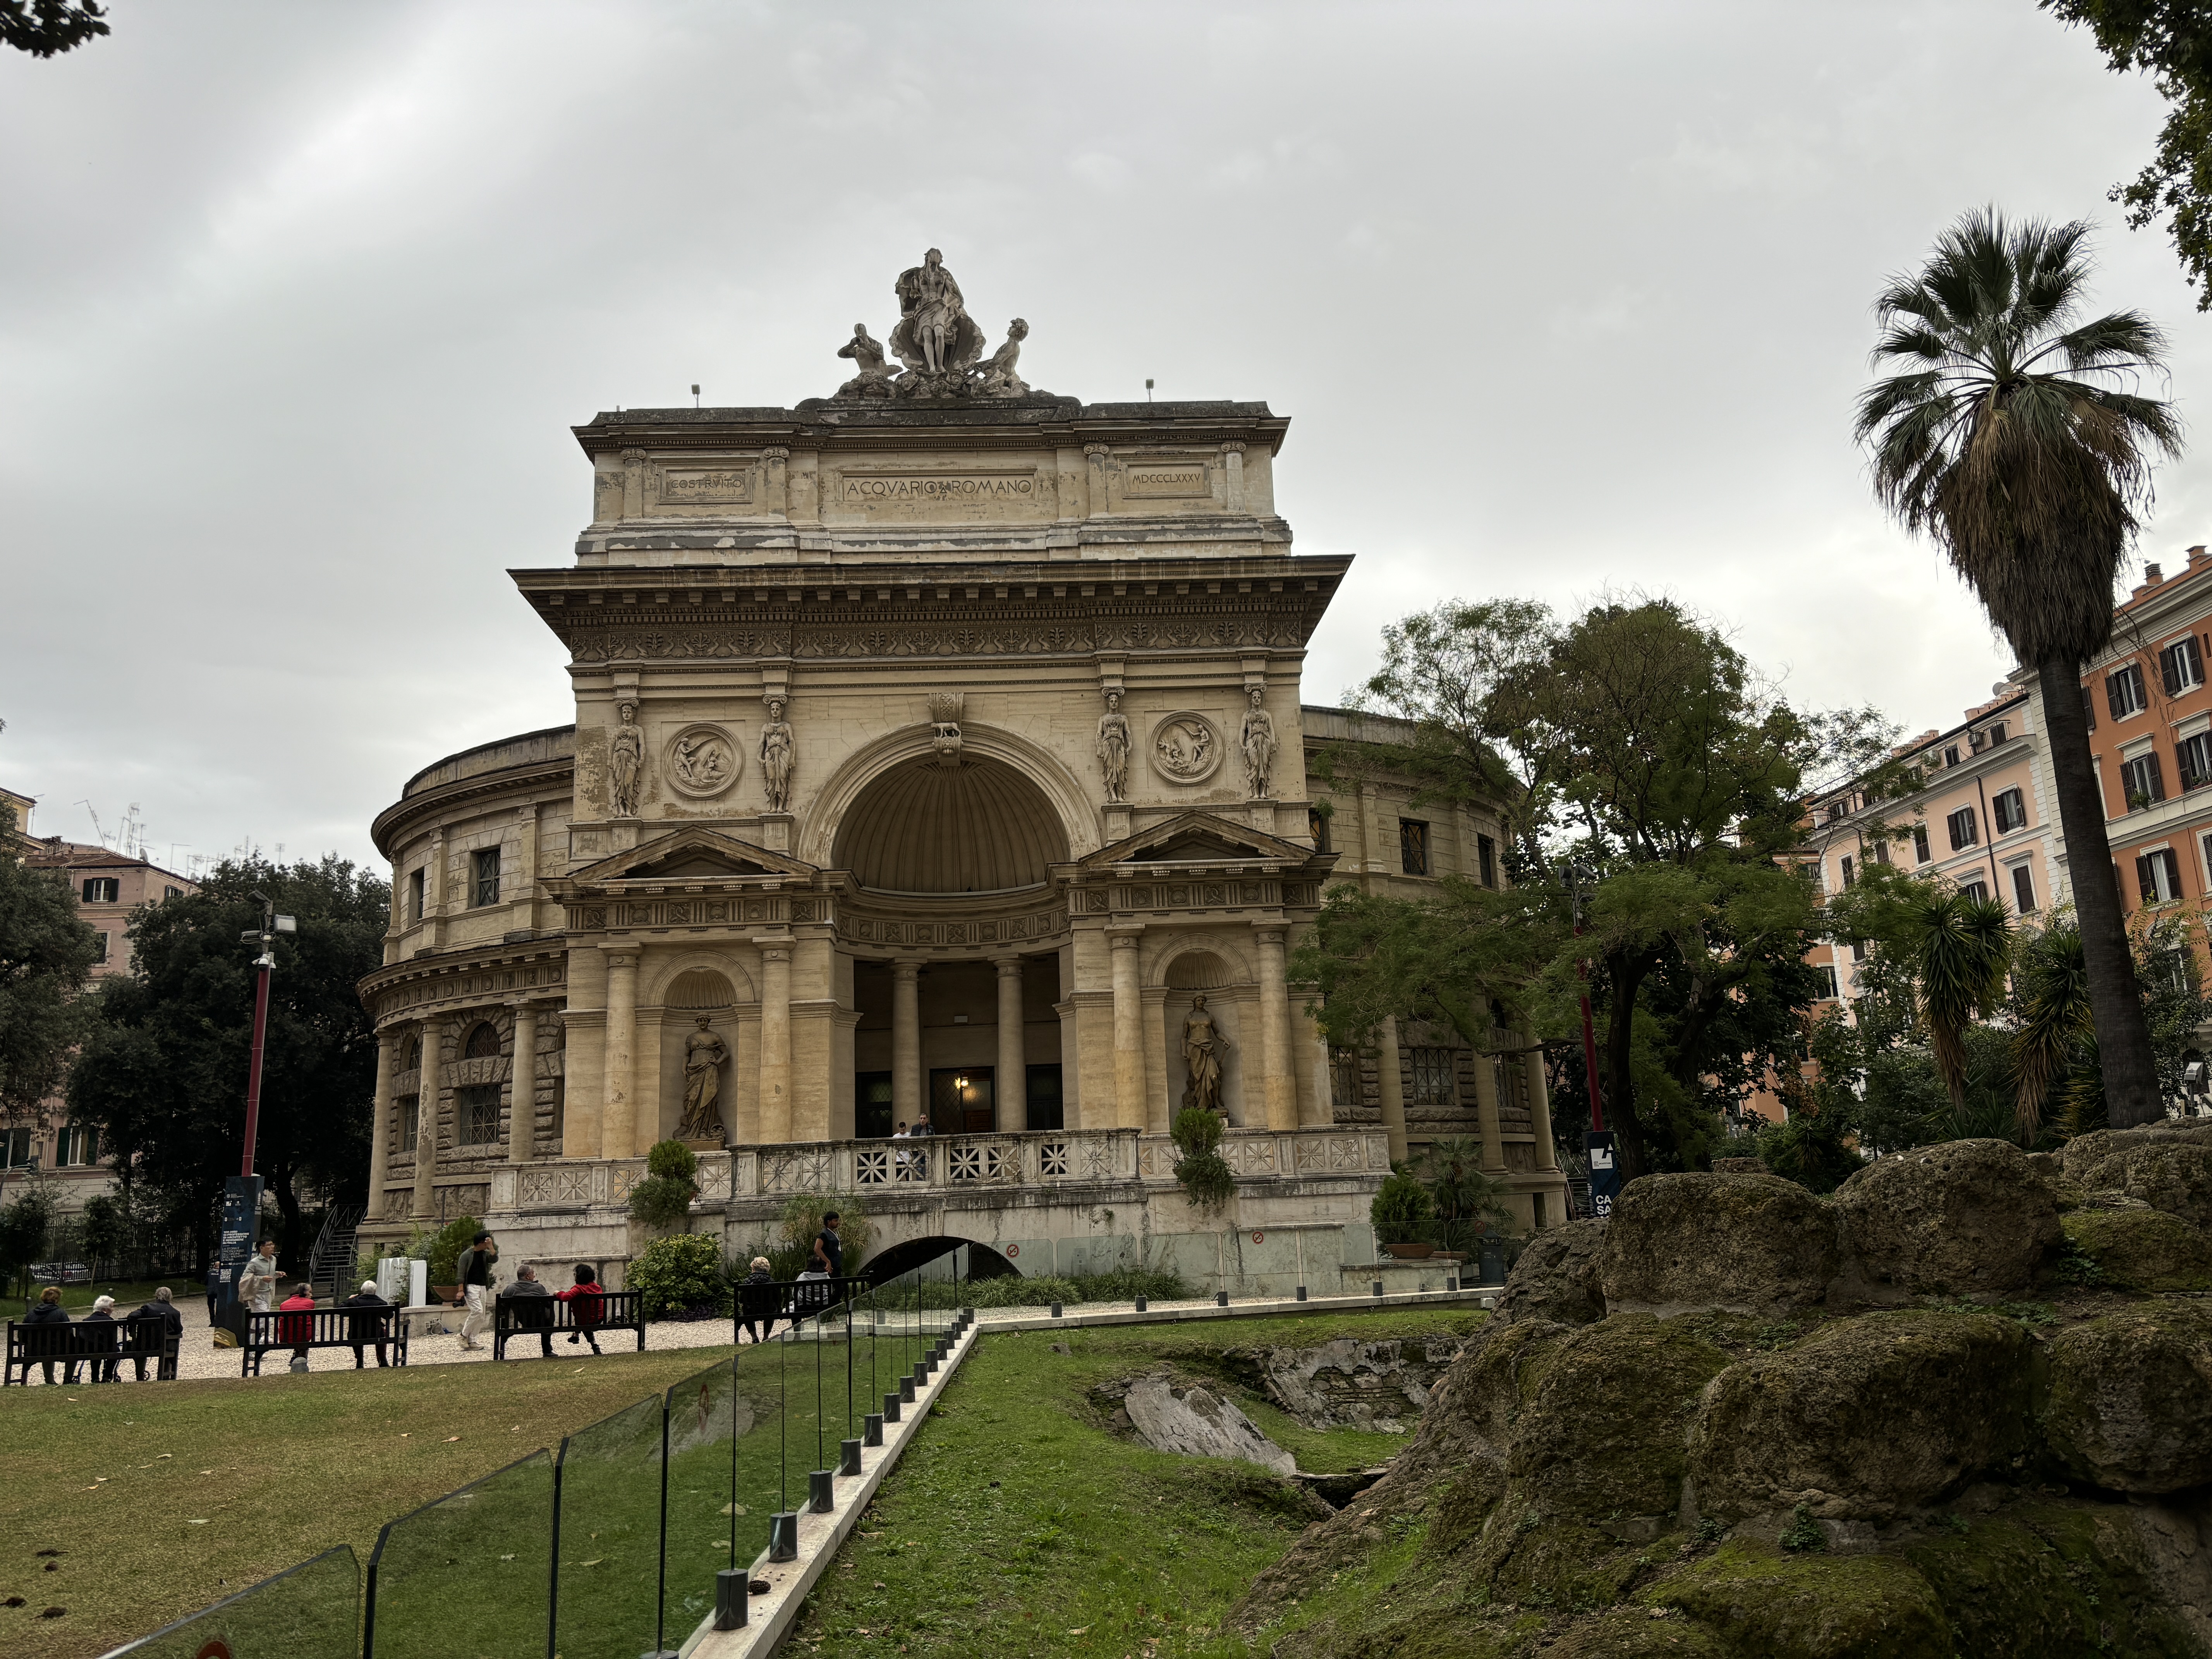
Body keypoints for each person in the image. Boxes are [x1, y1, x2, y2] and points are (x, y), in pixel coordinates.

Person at [127, 1288, 184, 1381]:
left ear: (157, 1296)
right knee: (171, 1344)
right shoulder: (175, 1312)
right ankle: (165, 1376)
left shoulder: (147, 1308)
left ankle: (140, 1376)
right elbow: (179, 1330)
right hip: (165, 1346)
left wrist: (131, 1331)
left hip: (145, 1345)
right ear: (170, 1298)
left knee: (139, 1348)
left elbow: (132, 1316)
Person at [456, 1230, 499, 1352]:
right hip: (471, 1287)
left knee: (481, 1315)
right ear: (481, 1243)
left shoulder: (484, 1254)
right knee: (477, 1311)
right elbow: (461, 1274)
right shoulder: (466, 1255)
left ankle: (472, 1340)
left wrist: (491, 1247)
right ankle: (463, 1336)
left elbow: (495, 1259)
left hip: (482, 1287)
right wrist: (461, 1290)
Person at [25, 1285, 74, 1386]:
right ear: (57, 1300)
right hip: (57, 1350)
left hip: (34, 1351)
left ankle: (49, 1379)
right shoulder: (61, 1314)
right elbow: (68, 1334)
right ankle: (68, 1379)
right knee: (73, 1351)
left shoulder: (32, 1314)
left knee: (46, 1349)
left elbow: (23, 1336)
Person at [503, 1264, 556, 1358]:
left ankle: (502, 1347)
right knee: (548, 1314)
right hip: (541, 1323)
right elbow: (548, 1303)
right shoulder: (539, 1288)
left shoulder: (509, 1289)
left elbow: (503, 1307)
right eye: (533, 1273)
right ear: (528, 1276)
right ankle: (547, 1350)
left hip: (523, 1322)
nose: (534, 1276)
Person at [340, 1279, 392, 1369]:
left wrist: (348, 1300)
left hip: (355, 1335)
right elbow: (389, 1316)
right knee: (383, 1331)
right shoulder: (380, 1303)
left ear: (362, 1290)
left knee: (355, 1332)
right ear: (375, 1291)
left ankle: (360, 1361)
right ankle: (383, 1360)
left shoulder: (353, 1303)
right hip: (376, 1334)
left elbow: (340, 1311)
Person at [556, 1264, 604, 1354]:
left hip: (586, 1321)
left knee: (583, 1320)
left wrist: (558, 1293)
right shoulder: (597, 1287)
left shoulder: (579, 1289)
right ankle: (577, 1336)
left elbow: (565, 1297)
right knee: (584, 1315)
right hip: (599, 1319)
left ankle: (583, 1339)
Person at [737, 1257, 780, 1345]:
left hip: (751, 1312)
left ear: (753, 1269)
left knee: (746, 1310)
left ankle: (754, 1337)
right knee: (771, 1308)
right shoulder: (772, 1282)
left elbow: (741, 1300)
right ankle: (766, 1337)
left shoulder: (747, 1282)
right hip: (768, 1311)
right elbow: (778, 1298)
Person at [80, 1294, 121, 1384]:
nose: (112, 1310)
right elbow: (113, 1340)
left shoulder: (86, 1321)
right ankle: (107, 1376)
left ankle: (95, 1378)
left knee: (95, 1349)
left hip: (89, 1350)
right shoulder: (110, 1321)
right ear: (105, 1309)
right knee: (116, 1351)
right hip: (107, 1349)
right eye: (111, 1307)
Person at [238, 1240, 282, 1318]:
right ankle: (261, 1330)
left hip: (269, 1294)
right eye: (269, 1245)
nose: (272, 1247)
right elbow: (245, 1278)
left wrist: (277, 1274)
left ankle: (254, 1330)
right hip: (257, 1295)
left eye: (273, 1244)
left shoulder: (273, 1260)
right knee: (264, 1318)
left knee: (258, 1319)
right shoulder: (254, 1263)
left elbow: (269, 1274)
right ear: (262, 1248)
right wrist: (261, 1279)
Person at [278, 1286, 317, 1364]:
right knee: (303, 1333)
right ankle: (301, 1361)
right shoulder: (310, 1303)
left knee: (298, 1331)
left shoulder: (283, 1304)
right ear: (305, 1293)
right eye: (310, 1292)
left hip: (285, 1338)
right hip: (304, 1338)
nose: (311, 1295)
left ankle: (296, 1358)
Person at [813, 1212, 845, 1279]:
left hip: (836, 1266)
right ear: (829, 1222)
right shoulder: (824, 1234)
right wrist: (828, 1261)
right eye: (836, 1221)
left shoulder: (834, 1233)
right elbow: (817, 1249)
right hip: (829, 1267)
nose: (838, 1223)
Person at [203, 1259, 222, 1325]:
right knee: (220, 1306)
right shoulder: (222, 1273)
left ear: (215, 1266)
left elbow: (205, 1282)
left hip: (210, 1291)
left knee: (211, 1307)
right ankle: (219, 1320)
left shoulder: (209, 1273)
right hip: (219, 1292)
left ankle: (213, 1321)